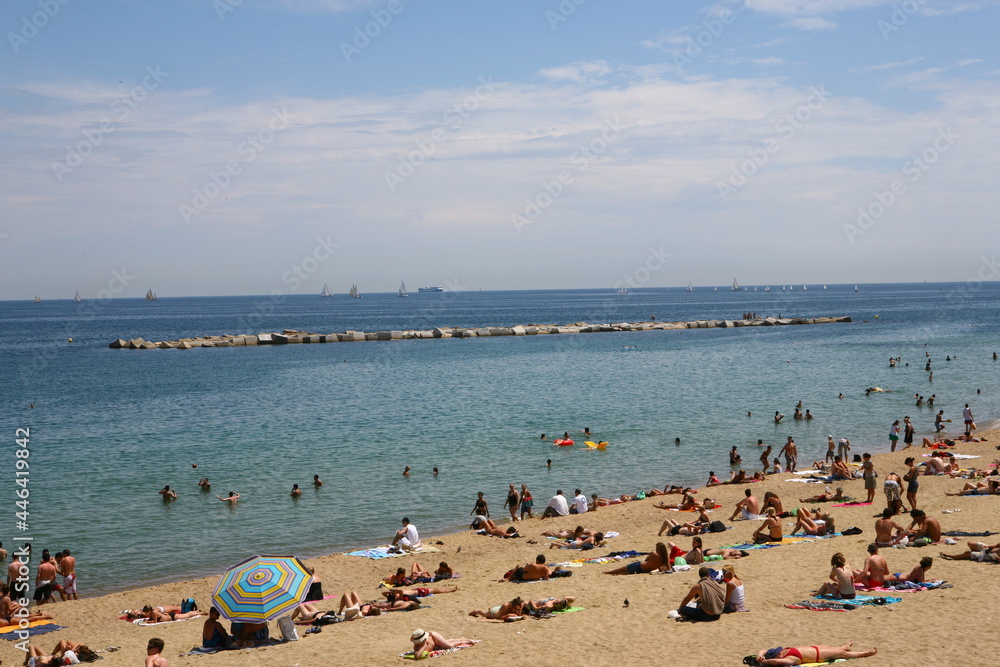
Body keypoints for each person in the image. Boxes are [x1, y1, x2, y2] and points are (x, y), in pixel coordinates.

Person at [754, 642, 877, 665]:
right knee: (841, 653)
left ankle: (843, 646)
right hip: (818, 655)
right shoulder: (790, 659)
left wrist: (760, 655)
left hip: (815, 648)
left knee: (830, 647)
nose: (780, 652)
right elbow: (775, 661)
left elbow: (764, 650)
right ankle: (864, 653)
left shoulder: (782, 653)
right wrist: (766, 661)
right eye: (778, 653)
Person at [605, 543, 670, 575]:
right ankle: (625, 573)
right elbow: (668, 569)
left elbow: (646, 560)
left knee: (624, 567)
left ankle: (609, 572)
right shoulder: (665, 558)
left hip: (640, 566)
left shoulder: (654, 553)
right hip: (645, 571)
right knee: (627, 570)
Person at [409, 629, 476, 657]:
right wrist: (423, 645)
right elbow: (417, 655)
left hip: (433, 636)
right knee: (445, 643)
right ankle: (460, 639)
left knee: (449, 646)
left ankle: (463, 641)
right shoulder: (417, 646)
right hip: (434, 643)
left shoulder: (427, 638)